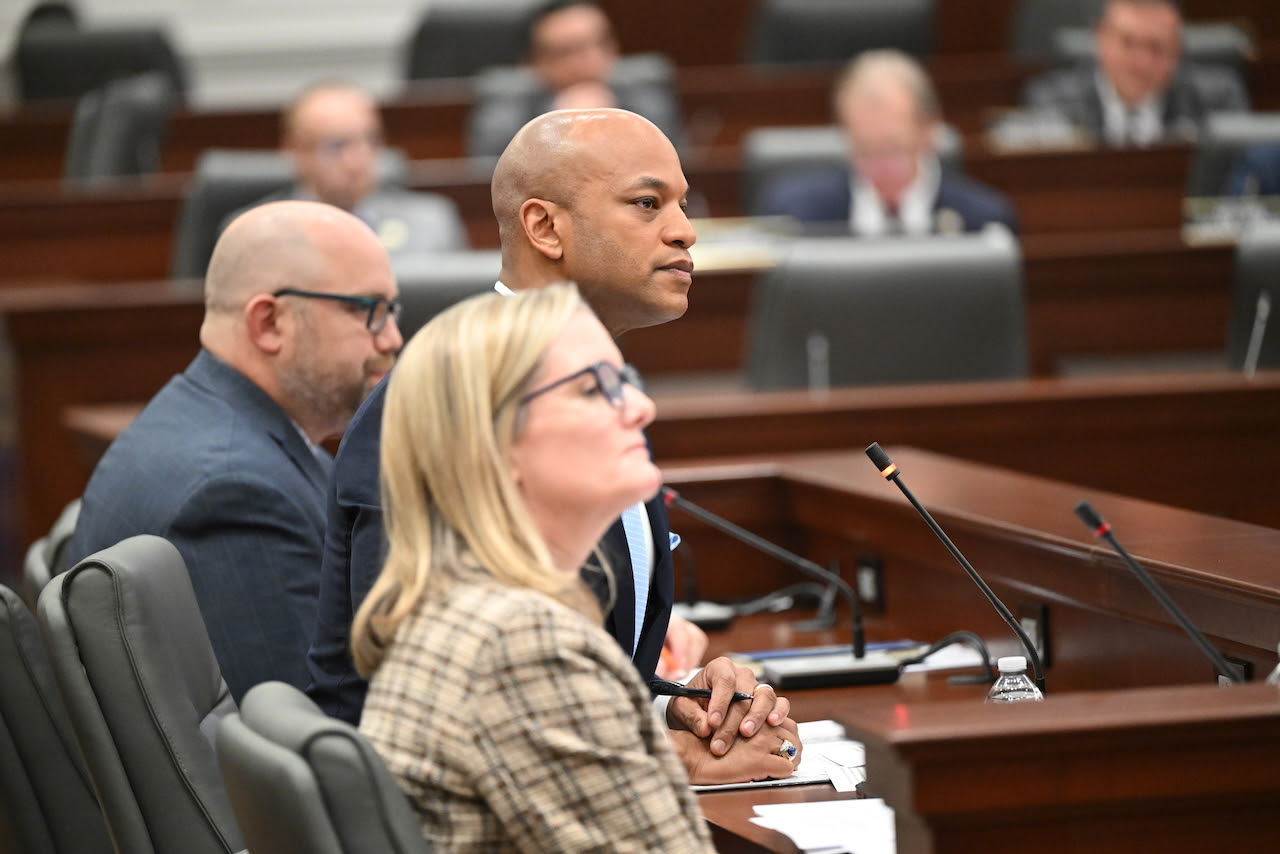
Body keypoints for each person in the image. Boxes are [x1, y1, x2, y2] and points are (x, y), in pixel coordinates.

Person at [308, 108, 795, 781]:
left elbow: (564, 672)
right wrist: (668, 764)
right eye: (647, 204)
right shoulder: (450, 400)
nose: (684, 231)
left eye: (682, 205)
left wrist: (675, 712)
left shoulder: (585, 385)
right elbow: (426, 703)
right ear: (544, 227)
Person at [356, 284, 799, 850]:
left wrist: (668, 715)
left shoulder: (473, 606)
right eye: (595, 389)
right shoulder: (524, 643)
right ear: (496, 447)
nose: (641, 408)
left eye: (626, 382)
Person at [67, 200, 403, 702]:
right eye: (369, 311)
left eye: (393, 311)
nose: (393, 338)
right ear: (269, 323)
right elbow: (305, 730)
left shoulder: (209, 416)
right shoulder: (232, 493)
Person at [762, 49, 1018, 237]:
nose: (880, 168)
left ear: (928, 133)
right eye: (864, 152)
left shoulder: (984, 222)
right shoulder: (797, 217)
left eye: (894, 149)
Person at [248, 81, 468, 258]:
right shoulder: (256, 233)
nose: (356, 162)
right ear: (294, 151)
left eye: (370, 141)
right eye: (336, 146)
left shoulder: (431, 223)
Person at [466, 1, 684, 158]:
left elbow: (678, 171)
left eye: (600, 43)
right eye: (568, 51)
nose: (590, 59)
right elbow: (494, 186)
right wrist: (557, 127)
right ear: (533, 63)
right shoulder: (504, 110)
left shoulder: (646, 95)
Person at [1022, 0, 1248, 147]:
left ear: (1178, 50)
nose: (1141, 62)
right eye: (1128, 43)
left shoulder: (1216, 100)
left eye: (1157, 47)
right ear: (1100, 38)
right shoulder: (1051, 101)